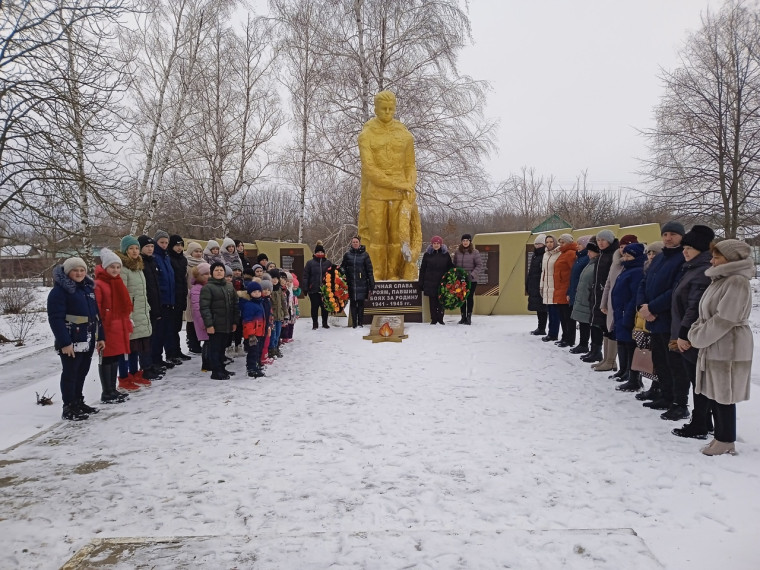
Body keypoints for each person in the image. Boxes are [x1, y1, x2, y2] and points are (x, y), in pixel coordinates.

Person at [688, 239, 754, 456]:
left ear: (731, 259)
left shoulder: (736, 281)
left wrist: (698, 337)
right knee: (716, 391)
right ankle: (720, 437)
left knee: (725, 393)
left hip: (729, 344)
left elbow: (725, 318)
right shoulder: (720, 279)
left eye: (717, 257)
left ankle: (726, 440)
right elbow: (705, 312)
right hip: (716, 342)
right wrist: (697, 329)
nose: (712, 260)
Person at [357, 90, 422, 281]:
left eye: (391, 108)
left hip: (399, 195)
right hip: (376, 193)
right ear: (375, 109)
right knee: (377, 238)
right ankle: (376, 274)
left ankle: (394, 274)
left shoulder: (405, 135)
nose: (387, 112)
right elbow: (369, 168)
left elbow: (410, 165)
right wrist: (399, 183)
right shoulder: (366, 135)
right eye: (383, 108)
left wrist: (410, 183)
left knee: (397, 238)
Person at [637, 221, 688, 416]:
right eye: (665, 234)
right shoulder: (658, 258)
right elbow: (644, 281)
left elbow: (675, 290)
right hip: (652, 319)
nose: (668, 238)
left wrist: (652, 307)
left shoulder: (682, 259)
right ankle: (666, 396)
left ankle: (680, 403)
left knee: (675, 363)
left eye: (673, 234)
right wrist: (641, 306)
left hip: (670, 319)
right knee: (660, 360)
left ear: (681, 237)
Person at [47, 257, 105, 421]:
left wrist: (100, 336)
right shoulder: (59, 292)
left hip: (87, 337)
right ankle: (69, 406)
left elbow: (96, 315)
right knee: (70, 373)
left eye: (82, 270)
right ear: (67, 272)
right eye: (75, 270)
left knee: (82, 372)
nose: (79, 273)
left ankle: (78, 401)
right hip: (71, 340)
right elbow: (55, 318)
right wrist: (65, 343)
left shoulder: (87, 289)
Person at [669, 225, 714, 436]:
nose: (685, 251)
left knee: (699, 382)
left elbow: (693, 307)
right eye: (684, 247)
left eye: (690, 248)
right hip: (685, 332)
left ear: (701, 250)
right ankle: (704, 421)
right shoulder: (691, 268)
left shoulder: (701, 272)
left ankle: (700, 424)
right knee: (697, 380)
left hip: (691, 335)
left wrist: (683, 334)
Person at [94, 248, 132, 404]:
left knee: (115, 357)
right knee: (106, 359)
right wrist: (99, 329)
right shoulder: (99, 284)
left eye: (118, 267)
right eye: (112, 267)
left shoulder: (118, 282)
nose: (115, 270)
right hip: (107, 327)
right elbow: (97, 307)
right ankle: (106, 391)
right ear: (105, 267)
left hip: (119, 325)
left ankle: (113, 388)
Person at [117, 236, 157, 385]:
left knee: (138, 345)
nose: (134, 251)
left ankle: (136, 373)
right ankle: (125, 376)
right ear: (125, 250)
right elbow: (124, 294)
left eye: (136, 248)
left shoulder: (139, 266)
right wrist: (128, 314)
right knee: (129, 346)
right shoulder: (123, 269)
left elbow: (142, 292)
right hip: (131, 313)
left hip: (142, 310)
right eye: (131, 248)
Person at [601, 234, 638, 378]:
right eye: (622, 247)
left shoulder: (635, 264)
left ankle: (631, 372)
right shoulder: (616, 262)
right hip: (614, 306)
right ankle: (622, 369)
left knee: (629, 341)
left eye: (626, 247)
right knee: (619, 337)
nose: (623, 250)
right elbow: (609, 284)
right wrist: (604, 303)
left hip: (628, 308)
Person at [610, 243, 646, 392]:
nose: (625, 258)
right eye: (624, 255)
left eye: (629, 256)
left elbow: (634, 296)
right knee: (624, 343)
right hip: (620, 312)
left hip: (627, 313)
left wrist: (628, 314)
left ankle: (634, 378)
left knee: (631, 346)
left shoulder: (637, 271)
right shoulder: (627, 269)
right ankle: (625, 371)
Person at [199, 261, 240, 380]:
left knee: (223, 348)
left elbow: (235, 305)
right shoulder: (208, 288)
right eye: (216, 270)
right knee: (215, 349)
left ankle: (222, 368)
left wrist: (234, 321)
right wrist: (209, 324)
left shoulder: (229, 286)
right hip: (215, 325)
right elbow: (204, 308)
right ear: (212, 273)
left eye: (221, 270)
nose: (219, 272)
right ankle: (216, 371)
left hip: (227, 324)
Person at [585, 230, 619, 364]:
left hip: (607, 297)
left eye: (603, 240)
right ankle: (605, 358)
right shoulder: (601, 256)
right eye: (598, 240)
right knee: (602, 327)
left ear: (610, 241)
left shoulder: (613, 256)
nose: (600, 243)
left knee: (608, 328)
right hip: (598, 296)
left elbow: (611, 279)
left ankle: (611, 360)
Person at [152, 230, 178, 368]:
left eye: (166, 242)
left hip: (169, 300)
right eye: (161, 242)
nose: (164, 245)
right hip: (160, 300)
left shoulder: (166, 257)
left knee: (165, 332)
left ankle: (160, 357)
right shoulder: (155, 257)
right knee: (157, 333)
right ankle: (155, 358)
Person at [570, 238, 599, 356]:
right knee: (582, 321)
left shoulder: (594, 263)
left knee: (589, 323)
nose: (588, 253)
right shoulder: (589, 262)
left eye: (590, 251)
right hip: (582, 296)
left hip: (588, 298)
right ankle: (584, 344)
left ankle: (592, 348)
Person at [341, 236, 375, 328]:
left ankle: (360, 323)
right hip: (351, 283)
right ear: (351, 244)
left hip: (362, 283)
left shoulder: (365, 255)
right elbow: (342, 267)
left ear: (359, 243)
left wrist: (372, 284)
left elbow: (369, 270)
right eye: (353, 242)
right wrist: (344, 272)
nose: (355, 243)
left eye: (356, 242)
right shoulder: (347, 255)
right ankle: (354, 324)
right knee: (353, 303)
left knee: (360, 304)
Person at [418, 236, 454, 325]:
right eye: (434, 243)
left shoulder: (445, 254)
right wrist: (421, 282)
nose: (436, 245)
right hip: (430, 281)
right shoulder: (427, 255)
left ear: (441, 244)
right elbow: (423, 269)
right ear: (432, 244)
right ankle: (433, 319)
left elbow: (450, 267)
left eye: (438, 243)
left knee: (441, 301)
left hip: (442, 281)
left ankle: (440, 318)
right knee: (432, 301)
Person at [167, 234, 191, 363]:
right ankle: (171, 353)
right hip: (171, 296)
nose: (179, 248)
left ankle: (177, 351)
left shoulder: (183, 259)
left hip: (181, 295)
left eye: (181, 245)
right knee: (170, 328)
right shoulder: (168, 258)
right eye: (177, 245)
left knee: (176, 326)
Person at [567, 235, 592, 353]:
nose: (578, 246)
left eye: (580, 244)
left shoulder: (586, 259)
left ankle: (584, 344)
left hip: (582, 293)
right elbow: (573, 277)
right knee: (578, 318)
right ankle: (581, 343)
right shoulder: (579, 258)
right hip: (575, 292)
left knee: (583, 320)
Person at [553, 233, 577, 347]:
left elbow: (573, 272)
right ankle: (564, 337)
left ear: (569, 243)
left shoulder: (570, 253)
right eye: (560, 242)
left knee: (568, 316)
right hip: (559, 288)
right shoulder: (562, 253)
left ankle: (570, 339)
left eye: (563, 242)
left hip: (565, 288)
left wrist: (570, 290)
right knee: (562, 316)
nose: (560, 244)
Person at [453, 233, 482, 325]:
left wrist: (472, 275)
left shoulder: (475, 252)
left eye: (467, 240)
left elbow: (479, 265)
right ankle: (463, 317)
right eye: (463, 241)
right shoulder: (457, 252)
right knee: (461, 297)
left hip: (471, 279)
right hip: (460, 279)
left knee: (469, 297)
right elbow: (454, 264)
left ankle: (469, 317)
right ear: (461, 242)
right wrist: (456, 274)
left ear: (470, 241)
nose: (465, 242)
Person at [302, 241, 333, 329]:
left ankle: (325, 323)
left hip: (325, 290)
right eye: (318, 252)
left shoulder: (328, 263)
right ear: (315, 253)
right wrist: (306, 287)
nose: (320, 253)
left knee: (325, 307)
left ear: (324, 253)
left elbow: (332, 275)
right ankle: (315, 323)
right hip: (314, 289)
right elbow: (305, 276)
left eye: (321, 252)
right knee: (314, 307)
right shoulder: (310, 263)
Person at [240, 280, 266, 378]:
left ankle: (256, 365)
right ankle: (251, 368)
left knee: (258, 350)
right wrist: (251, 334)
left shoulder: (260, 303)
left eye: (258, 292)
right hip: (252, 334)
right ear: (250, 293)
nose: (257, 294)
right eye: (254, 292)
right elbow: (247, 321)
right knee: (253, 352)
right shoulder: (249, 305)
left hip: (259, 333)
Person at [189, 263, 212, 372]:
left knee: (212, 342)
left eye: (209, 273)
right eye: (205, 274)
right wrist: (204, 323)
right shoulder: (197, 289)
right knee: (207, 343)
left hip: (211, 320)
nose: (208, 276)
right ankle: (206, 364)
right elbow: (197, 308)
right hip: (203, 321)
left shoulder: (209, 286)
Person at [183, 241, 205, 354]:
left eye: (200, 251)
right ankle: (192, 343)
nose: (198, 253)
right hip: (190, 295)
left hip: (203, 295)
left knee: (201, 318)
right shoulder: (187, 264)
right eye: (196, 251)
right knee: (192, 319)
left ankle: (201, 341)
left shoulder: (204, 264)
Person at [539, 235, 560, 342]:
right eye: (547, 242)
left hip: (555, 286)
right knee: (550, 312)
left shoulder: (559, 253)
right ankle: (550, 332)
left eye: (551, 241)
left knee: (555, 312)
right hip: (547, 286)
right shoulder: (545, 254)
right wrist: (541, 285)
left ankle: (553, 333)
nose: (549, 244)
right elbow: (544, 272)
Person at [527, 234, 548, 335]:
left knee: (542, 308)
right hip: (534, 284)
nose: (537, 246)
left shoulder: (545, 255)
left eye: (539, 244)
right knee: (538, 308)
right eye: (535, 244)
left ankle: (542, 328)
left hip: (541, 285)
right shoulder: (535, 256)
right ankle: (540, 327)